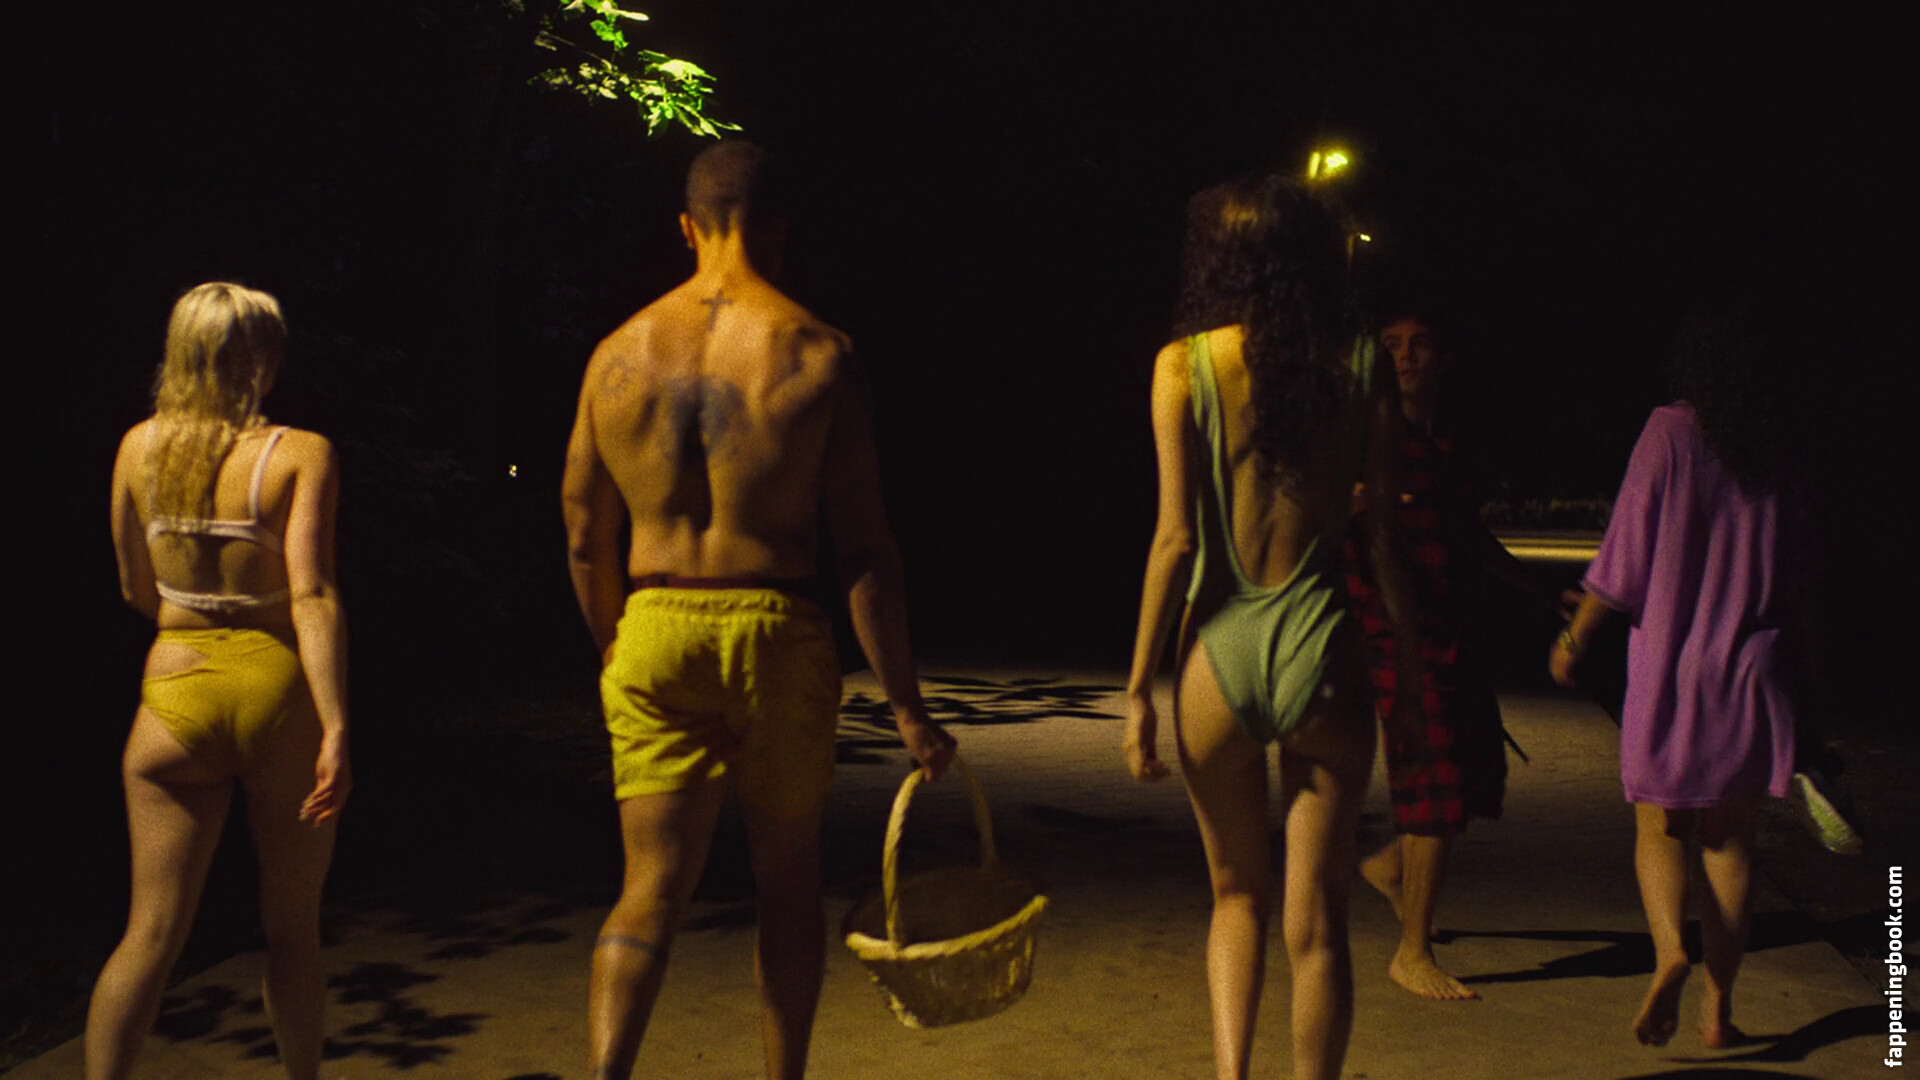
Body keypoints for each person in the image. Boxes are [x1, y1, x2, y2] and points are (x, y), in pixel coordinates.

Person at [562, 140, 956, 1080]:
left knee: (648, 889)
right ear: (778, 232)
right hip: (776, 628)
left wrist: (616, 645)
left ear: (686, 227)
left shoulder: (617, 355)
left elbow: (582, 531)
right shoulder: (818, 353)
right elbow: (865, 551)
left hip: (654, 623)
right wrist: (907, 706)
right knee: (786, 881)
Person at [1123, 175, 1423, 1080]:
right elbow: (1384, 541)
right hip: (1322, 649)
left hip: (1218, 655)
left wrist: (1138, 690)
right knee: (1319, 923)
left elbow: (1175, 540)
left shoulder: (1183, 366)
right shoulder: (1362, 365)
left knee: (1234, 898)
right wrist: (1408, 672)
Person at [89, 282, 350, 1080]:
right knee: (292, 930)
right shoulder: (300, 453)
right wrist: (336, 723)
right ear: (263, 358)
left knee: (150, 932)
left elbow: (135, 588)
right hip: (276, 692)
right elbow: (311, 594)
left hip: (174, 693)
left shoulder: (137, 449)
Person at [1551, 297, 1814, 1048]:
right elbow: (1806, 584)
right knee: (1731, 845)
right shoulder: (1781, 448)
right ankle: (1717, 1010)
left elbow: (1623, 554)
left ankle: (1670, 951)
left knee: (1662, 827)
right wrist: (1812, 692)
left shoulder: (1669, 431)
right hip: (1753, 669)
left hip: (1673, 665)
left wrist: (1573, 640)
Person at [1347, 306, 1573, 1000]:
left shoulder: (1448, 440)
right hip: (1398, 636)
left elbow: (1468, 535)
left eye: (1419, 344)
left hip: (1454, 629)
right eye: (1392, 345)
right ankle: (1411, 952)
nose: (1406, 356)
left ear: (1443, 357)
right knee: (1435, 785)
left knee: (1476, 773)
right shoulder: (1362, 440)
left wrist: (1540, 589)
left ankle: (1391, 868)